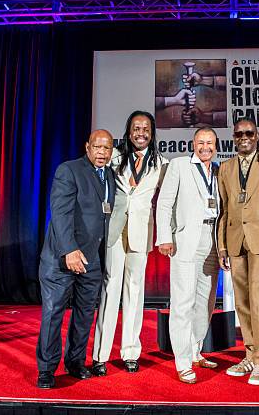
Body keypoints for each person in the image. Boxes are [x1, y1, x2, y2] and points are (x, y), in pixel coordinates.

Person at [36, 130, 115, 389]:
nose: (102, 152)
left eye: (107, 148)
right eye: (97, 147)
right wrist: (69, 249)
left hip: (91, 259)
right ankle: (47, 370)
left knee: (84, 315)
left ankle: (75, 361)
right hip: (62, 259)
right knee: (53, 313)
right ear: (88, 147)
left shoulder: (110, 176)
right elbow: (59, 213)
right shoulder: (69, 170)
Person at [92, 111, 168, 376]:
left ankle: (131, 352)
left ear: (152, 132)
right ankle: (100, 355)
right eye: (136, 128)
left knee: (135, 291)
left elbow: (167, 200)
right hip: (114, 230)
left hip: (140, 232)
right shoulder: (113, 156)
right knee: (110, 289)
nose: (141, 133)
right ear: (129, 130)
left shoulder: (161, 163)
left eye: (146, 128)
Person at [217, 118, 259, 386]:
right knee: (242, 302)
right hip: (235, 242)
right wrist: (222, 245)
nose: (243, 137)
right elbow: (224, 211)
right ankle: (249, 354)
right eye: (238, 134)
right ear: (233, 137)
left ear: (257, 135)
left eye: (248, 133)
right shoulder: (225, 167)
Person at [156, 127, 221, 384]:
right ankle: (182, 362)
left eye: (210, 143)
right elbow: (164, 203)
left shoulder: (218, 170)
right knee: (183, 302)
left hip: (212, 241)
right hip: (185, 241)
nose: (205, 147)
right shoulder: (179, 165)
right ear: (193, 144)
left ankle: (195, 350)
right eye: (201, 142)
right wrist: (165, 237)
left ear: (216, 145)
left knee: (205, 301)